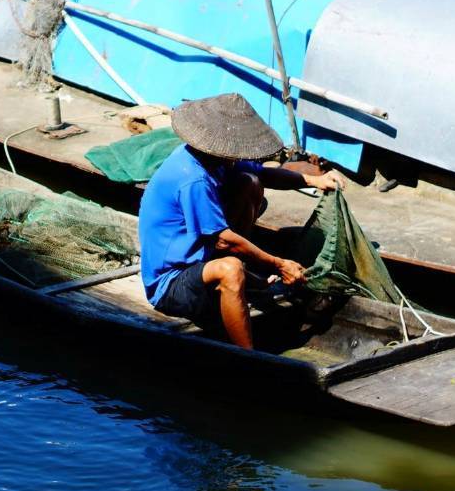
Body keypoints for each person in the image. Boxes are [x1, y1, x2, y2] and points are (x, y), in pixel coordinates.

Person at [138, 93, 346, 350]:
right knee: (231, 269)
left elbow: (265, 174)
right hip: (171, 283)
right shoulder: (193, 179)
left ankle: (247, 277)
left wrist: (314, 181)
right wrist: (279, 264)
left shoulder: (216, 159)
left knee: (251, 182)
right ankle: (248, 358)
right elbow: (224, 242)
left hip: (201, 258)